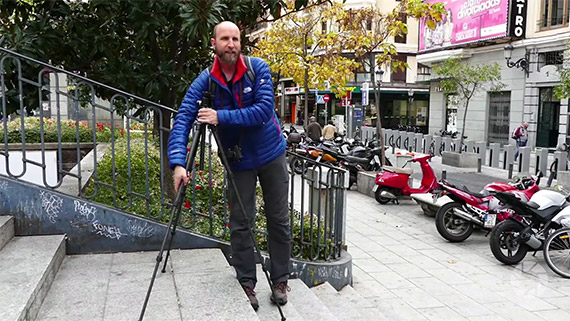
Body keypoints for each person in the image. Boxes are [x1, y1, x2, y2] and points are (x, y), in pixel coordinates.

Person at [167, 21, 291, 311]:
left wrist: (220, 116)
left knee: (278, 219)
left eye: (236, 38)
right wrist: (178, 164)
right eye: (225, 39)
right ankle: (247, 282)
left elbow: (263, 110)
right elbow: (184, 117)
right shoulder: (205, 81)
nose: (232, 44)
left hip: (271, 153)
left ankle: (281, 279)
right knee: (241, 224)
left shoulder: (257, 68)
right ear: (214, 43)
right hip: (239, 160)